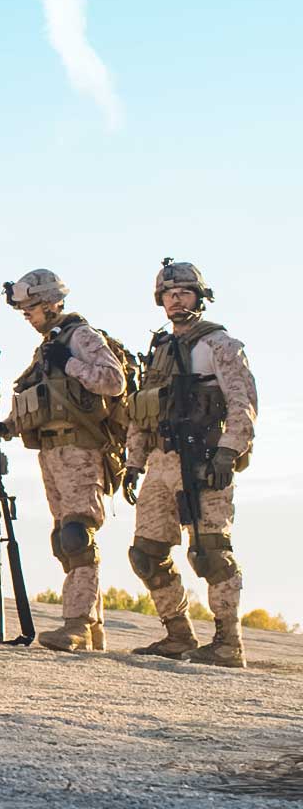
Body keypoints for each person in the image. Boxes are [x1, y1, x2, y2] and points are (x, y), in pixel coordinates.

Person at [125, 259, 258, 668]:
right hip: (161, 460)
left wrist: (227, 451)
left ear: (199, 296)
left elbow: (243, 403)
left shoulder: (220, 344)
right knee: (147, 553)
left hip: (202, 458)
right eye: (169, 294)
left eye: (184, 292)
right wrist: (133, 462)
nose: (176, 300)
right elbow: (144, 409)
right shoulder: (162, 348)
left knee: (210, 552)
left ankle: (227, 642)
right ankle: (177, 633)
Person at [2, 269, 128, 652]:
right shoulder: (48, 346)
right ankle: (93, 627)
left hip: (81, 449)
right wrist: (5, 426)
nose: (27, 315)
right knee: (65, 539)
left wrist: (71, 363)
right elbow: (41, 396)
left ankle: (76, 625)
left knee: (77, 534)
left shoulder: (81, 337)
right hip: (53, 450)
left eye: (32, 307)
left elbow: (114, 381)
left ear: (52, 302)